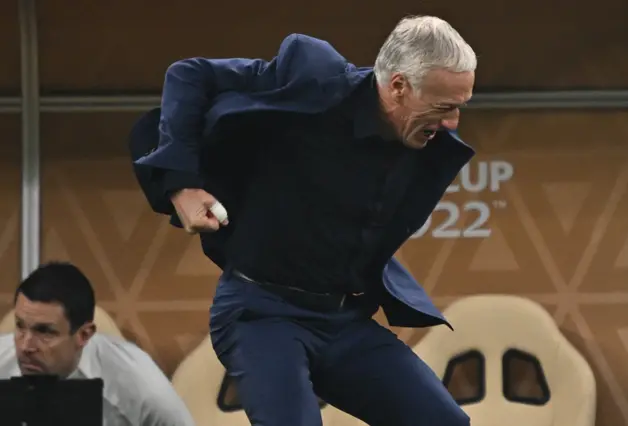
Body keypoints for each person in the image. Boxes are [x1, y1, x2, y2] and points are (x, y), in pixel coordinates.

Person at [131, 15, 476, 426]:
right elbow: (189, 74)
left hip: (343, 321)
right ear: (398, 87)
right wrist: (181, 185)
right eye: (444, 107)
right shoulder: (315, 75)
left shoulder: (428, 139)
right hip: (261, 313)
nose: (454, 123)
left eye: (460, 106)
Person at [0, 262, 196, 426]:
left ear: (84, 335)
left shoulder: (143, 390)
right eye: (20, 326)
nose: (25, 346)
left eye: (44, 332)